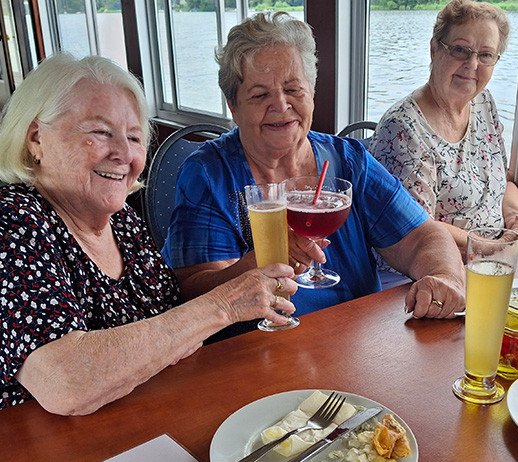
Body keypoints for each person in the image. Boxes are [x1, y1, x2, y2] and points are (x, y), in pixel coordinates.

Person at [0, 53, 297, 462]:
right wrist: (223, 305)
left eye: (134, 137)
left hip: (91, 449)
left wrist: (240, 278)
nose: (123, 154)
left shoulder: (121, 223)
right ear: (36, 139)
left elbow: (167, 324)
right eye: (100, 132)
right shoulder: (1, 222)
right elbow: (66, 384)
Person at [162, 11, 465, 321]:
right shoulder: (209, 174)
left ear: (312, 92)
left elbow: (422, 236)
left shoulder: (349, 160)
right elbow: (192, 290)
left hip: (357, 337)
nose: (281, 105)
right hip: (260, 344)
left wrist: (444, 276)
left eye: (293, 89)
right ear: (234, 107)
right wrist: (254, 267)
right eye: (260, 94)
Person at [369, 0, 518, 254]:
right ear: (434, 49)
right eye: (460, 50)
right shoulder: (402, 128)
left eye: (486, 55)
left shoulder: (483, 102)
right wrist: (490, 246)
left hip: (492, 258)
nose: (472, 64)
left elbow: (503, 183)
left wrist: (516, 214)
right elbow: (417, 230)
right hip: (431, 268)